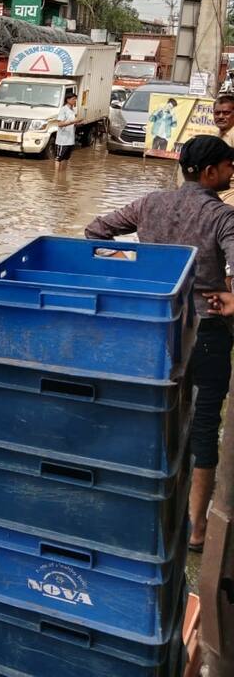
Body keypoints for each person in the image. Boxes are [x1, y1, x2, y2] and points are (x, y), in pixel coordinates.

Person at [84, 135, 234, 553]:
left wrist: (135, 270)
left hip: (150, 327)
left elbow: (96, 232)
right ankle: (197, 529)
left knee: (151, 414)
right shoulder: (223, 217)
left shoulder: (150, 204)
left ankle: (140, 506)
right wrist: (225, 297)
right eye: (227, 168)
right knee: (203, 425)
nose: (231, 174)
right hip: (204, 332)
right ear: (208, 173)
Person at [55, 90, 82, 163]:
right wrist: (73, 121)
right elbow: (60, 124)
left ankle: (63, 174)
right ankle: (57, 174)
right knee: (58, 159)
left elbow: (73, 124)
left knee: (66, 159)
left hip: (70, 140)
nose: (75, 101)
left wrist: (78, 123)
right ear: (68, 100)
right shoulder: (63, 110)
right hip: (62, 140)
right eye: (73, 99)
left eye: (75, 99)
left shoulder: (73, 110)